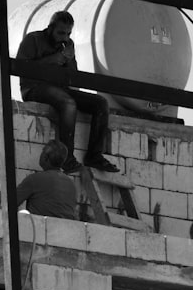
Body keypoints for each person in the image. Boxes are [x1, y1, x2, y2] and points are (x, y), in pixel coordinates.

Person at [15, 10, 119, 174]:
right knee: (68, 104)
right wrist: (55, 59)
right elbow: (21, 68)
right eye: (61, 33)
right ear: (50, 28)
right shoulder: (33, 40)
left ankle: (94, 156)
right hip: (34, 88)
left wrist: (68, 60)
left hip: (60, 89)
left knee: (101, 103)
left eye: (68, 33)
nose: (64, 37)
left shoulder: (68, 44)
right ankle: (67, 158)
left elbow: (72, 77)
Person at [15, 140, 78, 219]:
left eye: (42, 151)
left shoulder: (34, 179)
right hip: (66, 228)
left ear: (45, 157)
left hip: (41, 228)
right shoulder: (71, 184)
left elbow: (10, 203)